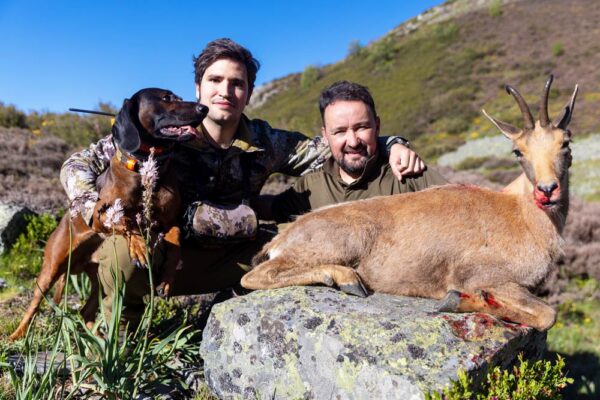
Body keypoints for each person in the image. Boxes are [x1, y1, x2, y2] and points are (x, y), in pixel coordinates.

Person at [60, 38, 425, 324]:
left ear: (249, 92)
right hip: (169, 251)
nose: (225, 91)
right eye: (215, 80)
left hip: (234, 253)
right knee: (121, 257)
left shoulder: (266, 141)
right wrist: (97, 209)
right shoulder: (162, 131)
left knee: (289, 250)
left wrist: (391, 142)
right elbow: (78, 164)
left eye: (237, 83)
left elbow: (334, 144)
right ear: (198, 88)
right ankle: (123, 330)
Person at [257, 81, 447, 223]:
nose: (353, 142)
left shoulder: (410, 175)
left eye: (362, 127)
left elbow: (465, 211)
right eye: (339, 131)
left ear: (377, 126)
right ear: (325, 135)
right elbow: (270, 208)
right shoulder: (311, 185)